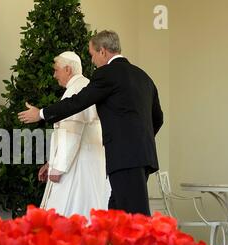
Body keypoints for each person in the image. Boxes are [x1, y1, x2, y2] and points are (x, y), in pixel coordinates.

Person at [19, 30, 164, 216]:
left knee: (136, 218)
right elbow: (158, 118)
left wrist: (41, 113)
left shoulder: (107, 74)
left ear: (103, 51)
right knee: (116, 214)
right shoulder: (144, 77)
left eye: (92, 55)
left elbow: (78, 102)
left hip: (124, 157)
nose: (92, 61)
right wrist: (140, 141)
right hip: (141, 156)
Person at [39, 51, 110, 220]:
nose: (54, 75)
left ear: (68, 70)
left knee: (72, 211)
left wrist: (58, 167)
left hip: (77, 165)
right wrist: (51, 162)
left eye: (57, 70)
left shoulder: (76, 90)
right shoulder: (85, 86)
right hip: (87, 161)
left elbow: (71, 131)